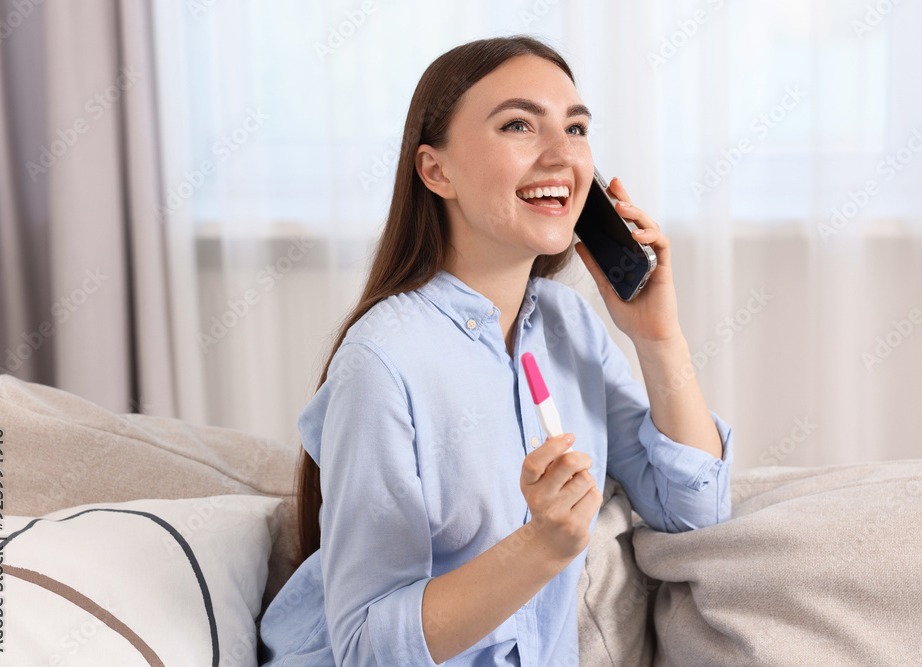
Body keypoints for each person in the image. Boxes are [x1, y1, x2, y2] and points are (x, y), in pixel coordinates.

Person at [257, 34, 734, 666]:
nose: (563, 156)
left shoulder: (570, 325)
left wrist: (658, 338)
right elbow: (366, 648)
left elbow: (695, 511)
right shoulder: (382, 363)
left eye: (577, 128)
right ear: (437, 170)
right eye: (519, 125)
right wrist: (539, 548)